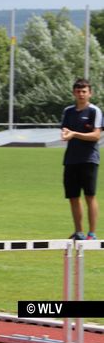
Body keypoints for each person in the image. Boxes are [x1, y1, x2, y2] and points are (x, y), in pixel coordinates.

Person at [61, 78, 103, 240]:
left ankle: (91, 233)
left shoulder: (94, 111)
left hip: (89, 159)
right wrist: (65, 134)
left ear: (90, 93)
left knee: (89, 196)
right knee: (73, 196)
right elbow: (65, 130)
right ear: (73, 93)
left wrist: (74, 134)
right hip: (71, 159)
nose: (81, 94)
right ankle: (78, 231)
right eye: (78, 91)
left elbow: (96, 135)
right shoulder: (68, 111)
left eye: (84, 91)